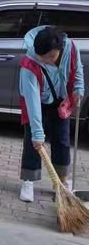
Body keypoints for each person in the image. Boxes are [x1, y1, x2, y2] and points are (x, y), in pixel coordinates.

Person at [19, 26, 84, 203]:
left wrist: (79, 88)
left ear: (60, 49)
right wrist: (38, 133)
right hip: (37, 102)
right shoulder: (29, 64)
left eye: (51, 56)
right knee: (33, 141)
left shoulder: (70, 48)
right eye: (44, 58)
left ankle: (61, 183)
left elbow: (77, 69)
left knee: (62, 140)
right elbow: (32, 102)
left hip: (60, 101)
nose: (48, 60)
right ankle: (28, 181)